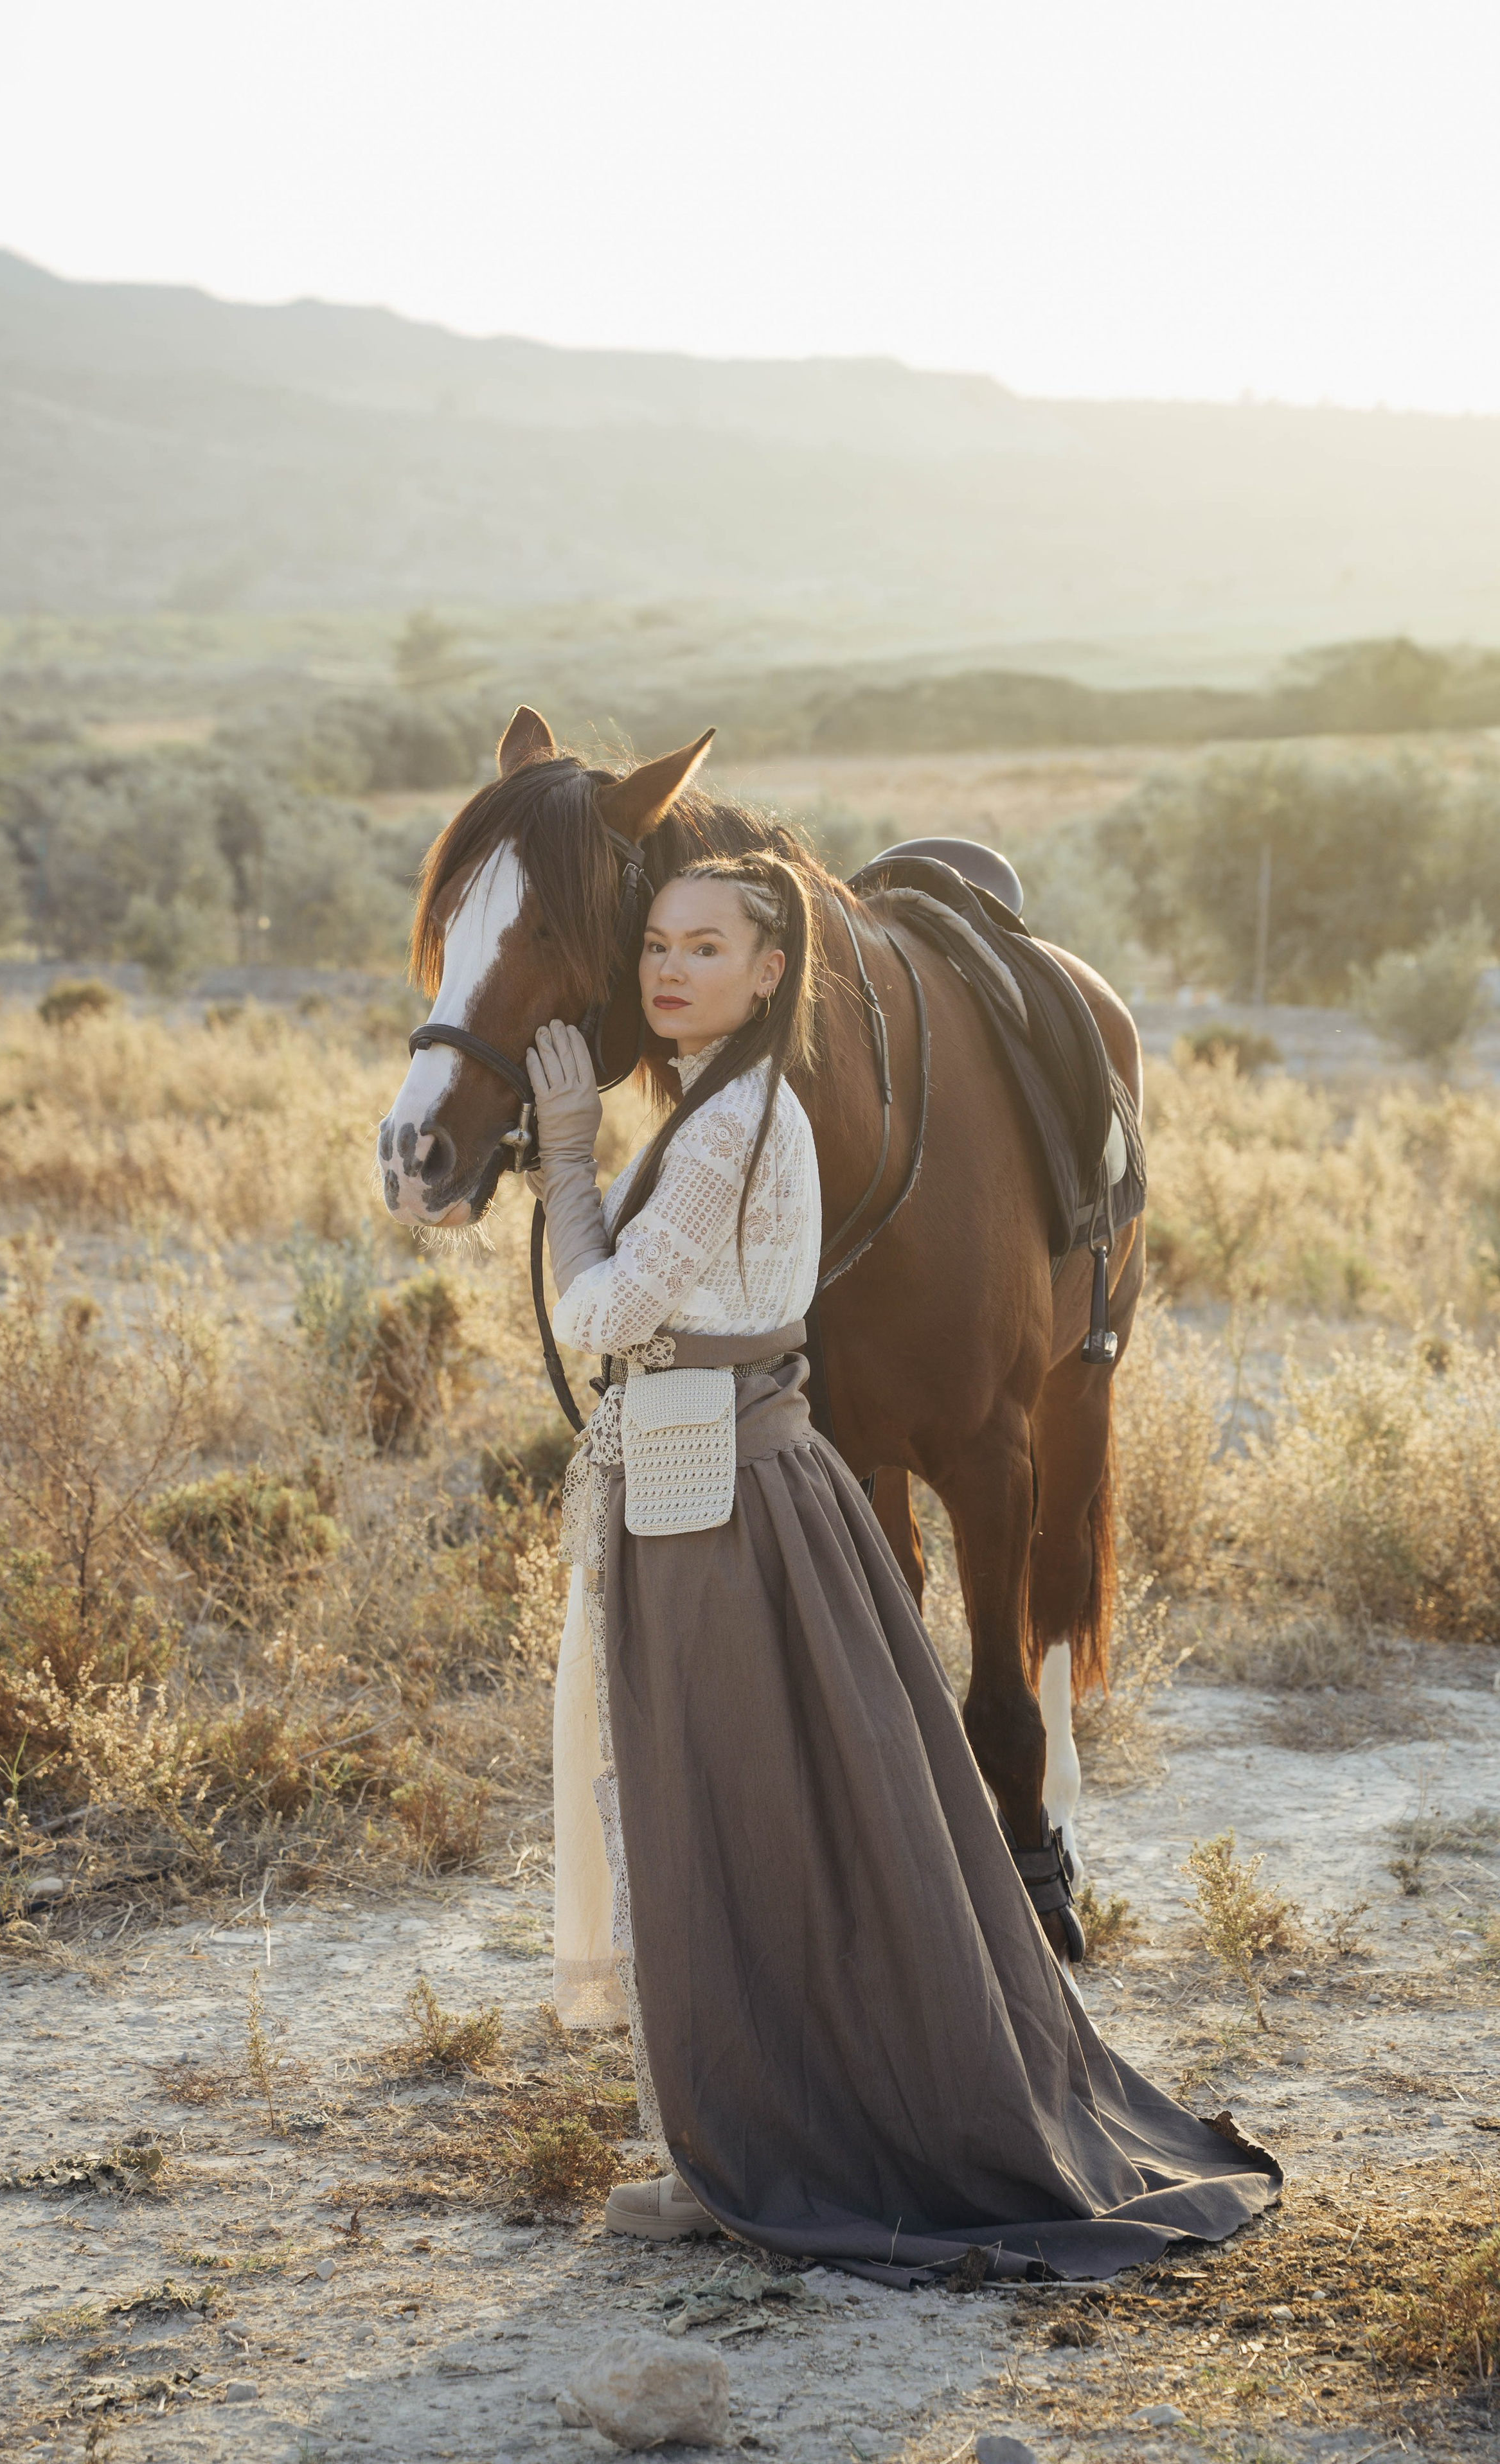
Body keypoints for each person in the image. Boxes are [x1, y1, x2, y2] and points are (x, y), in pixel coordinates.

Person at [525, 851, 1278, 2281]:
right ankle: (752, 2131)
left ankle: (754, 2149)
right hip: (722, 1478)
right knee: (753, 1820)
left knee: (726, 1820)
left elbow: (609, 1308)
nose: (666, 969)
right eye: (654, 947)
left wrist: (566, 1157)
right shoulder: (723, 1105)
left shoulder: (737, 1121)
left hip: (725, 1493)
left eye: (704, 946)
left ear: (770, 972)